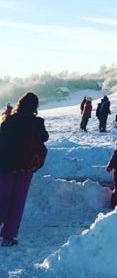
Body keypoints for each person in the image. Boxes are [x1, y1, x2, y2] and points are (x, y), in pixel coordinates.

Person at [0, 92, 49, 246]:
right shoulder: (37, 123)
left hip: (5, 165)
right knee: (17, 201)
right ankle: (9, 236)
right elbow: (44, 137)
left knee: (2, 199)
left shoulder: (8, 121)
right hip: (25, 166)